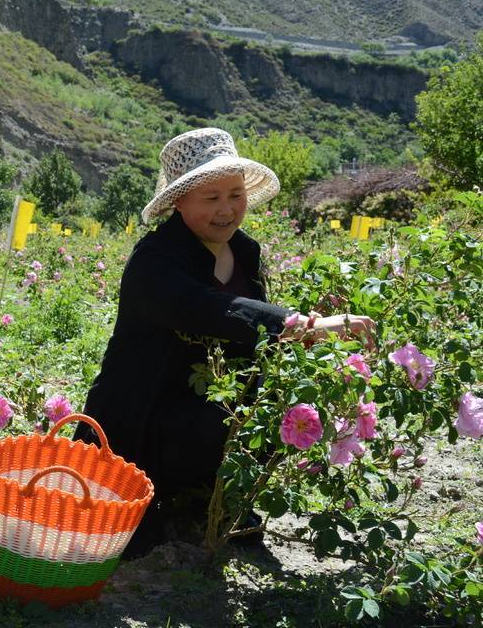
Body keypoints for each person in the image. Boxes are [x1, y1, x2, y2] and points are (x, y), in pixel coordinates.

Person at [76, 128, 375, 555]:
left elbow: (251, 341)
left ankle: (213, 497)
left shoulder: (246, 251)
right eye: (210, 198)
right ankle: (173, 495)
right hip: (143, 412)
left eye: (235, 195)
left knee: (280, 408)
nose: (226, 210)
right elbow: (210, 309)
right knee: (136, 531)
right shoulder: (155, 260)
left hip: (208, 399)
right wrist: (305, 325)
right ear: (179, 202)